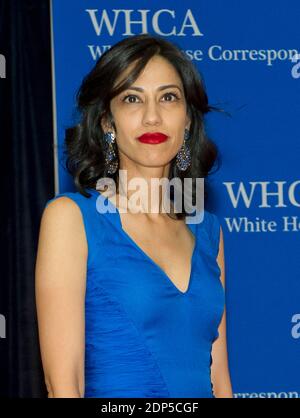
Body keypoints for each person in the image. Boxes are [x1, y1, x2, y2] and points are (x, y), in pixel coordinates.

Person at [35, 33, 233, 398]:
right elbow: (63, 383)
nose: (152, 116)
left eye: (169, 98)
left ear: (187, 119)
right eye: (132, 99)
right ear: (107, 123)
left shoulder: (208, 230)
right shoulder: (72, 219)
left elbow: (219, 378)